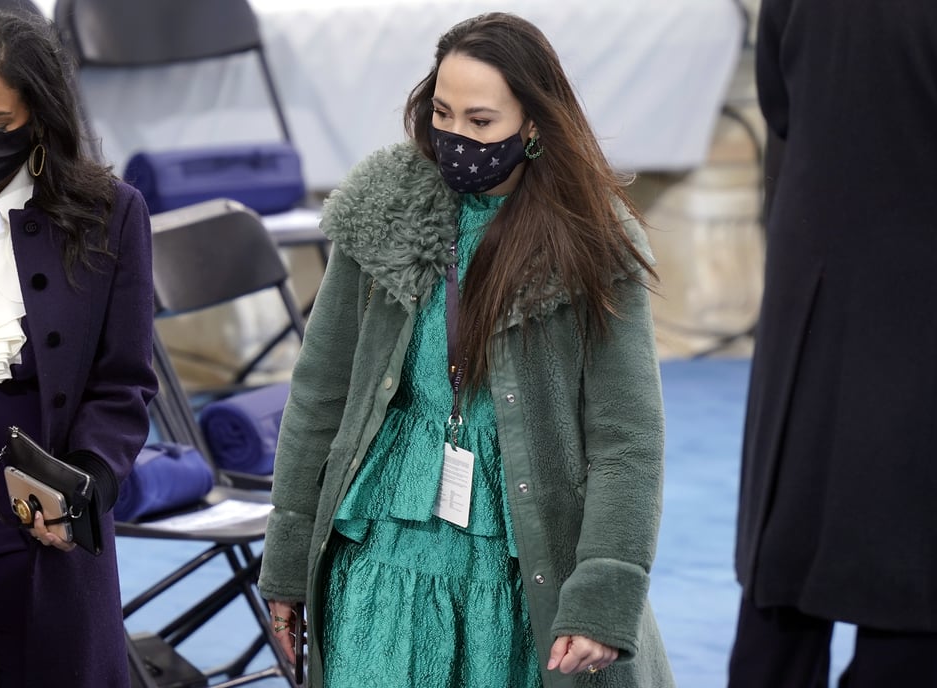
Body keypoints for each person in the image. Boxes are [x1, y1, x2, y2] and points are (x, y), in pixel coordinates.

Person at [257, 12, 673, 688]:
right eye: (441, 113)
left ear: (534, 123)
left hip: (519, 560)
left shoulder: (592, 240)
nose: (455, 137)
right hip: (381, 544)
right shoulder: (382, 209)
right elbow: (320, 394)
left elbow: (628, 437)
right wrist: (287, 558)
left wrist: (604, 593)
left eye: (480, 122)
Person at [0, 9, 157, 688]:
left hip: (47, 494)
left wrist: (84, 482)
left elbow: (124, 382)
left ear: (41, 118)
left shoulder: (113, 213)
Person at [728, 1, 937, 686]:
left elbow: (779, 101)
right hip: (915, 291)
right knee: (913, 583)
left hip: (814, 279)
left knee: (785, 566)